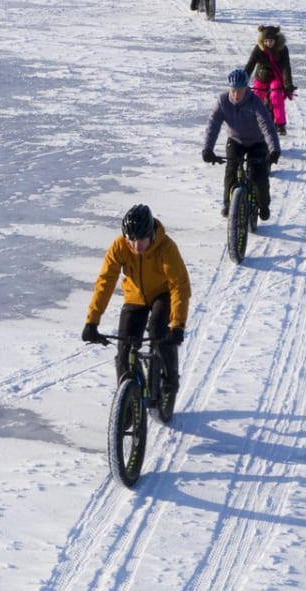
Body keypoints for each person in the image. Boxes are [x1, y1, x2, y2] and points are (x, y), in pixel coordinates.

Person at [82, 203, 190, 395]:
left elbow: (179, 286)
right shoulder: (120, 246)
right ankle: (129, 401)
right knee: (125, 348)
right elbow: (105, 282)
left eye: (141, 240)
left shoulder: (166, 248)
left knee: (159, 331)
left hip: (162, 295)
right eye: (131, 240)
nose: (135, 246)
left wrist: (177, 325)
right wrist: (92, 321)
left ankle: (170, 378)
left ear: (151, 234)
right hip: (135, 297)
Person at [201, 67, 280, 220]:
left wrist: (274, 149)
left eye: (240, 90)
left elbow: (266, 125)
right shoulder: (222, 101)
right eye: (234, 90)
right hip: (235, 141)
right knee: (231, 171)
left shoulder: (255, 102)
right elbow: (213, 125)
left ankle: (263, 204)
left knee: (259, 176)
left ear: (246, 89)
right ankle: (228, 205)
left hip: (257, 142)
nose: (236, 94)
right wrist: (207, 149)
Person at [242, 24, 295, 136]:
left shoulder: (283, 49)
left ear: (276, 40)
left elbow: (286, 67)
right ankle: (254, 121)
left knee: (276, 95)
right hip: (262, 76)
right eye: (266, 41)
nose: (269, 43)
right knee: (257, 98)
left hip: (276, 76)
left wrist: (288, 83)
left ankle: (280, 124)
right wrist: (242, 80)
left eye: (271, 41)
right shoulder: (259, 48)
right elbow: (250, 65)